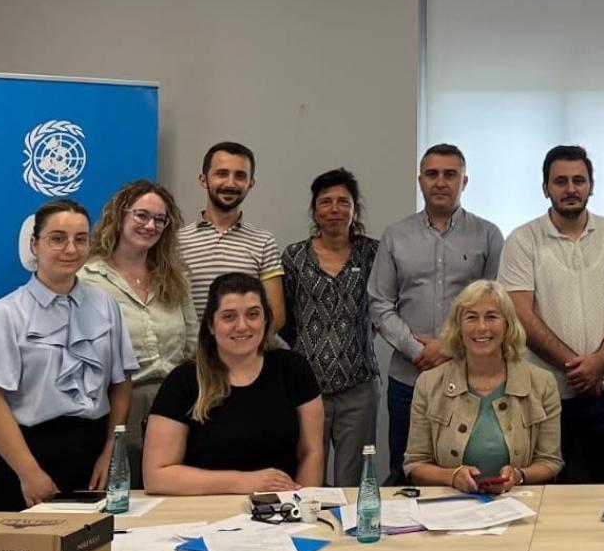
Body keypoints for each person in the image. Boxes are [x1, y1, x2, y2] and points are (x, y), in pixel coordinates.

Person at [0, 199, 138, 511]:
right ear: (35, 245)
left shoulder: (106, 307)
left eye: (80, 239)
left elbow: (121, 383)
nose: (70, 249)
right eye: (57, 238)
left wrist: (111, 449)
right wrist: (29, 472)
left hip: (90, 456)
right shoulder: (5, 314)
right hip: (23, 458)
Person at [499, 146, 604, 484]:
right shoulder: (522, 239)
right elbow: (520, 313)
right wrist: (578, 369)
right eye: (560, 181)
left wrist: (599, 363)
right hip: (545, 395)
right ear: (545, 188)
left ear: (591, 185)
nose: (570, 188)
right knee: (549, 490)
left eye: (579, 180)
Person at [369, 143, 503, 483]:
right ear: (420, 181)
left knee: (465, 471)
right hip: (409, 378)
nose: (440, 182)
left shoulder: (488, 235)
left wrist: (448, 346)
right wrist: (418, 350)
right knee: (405, 472)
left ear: (464, 181)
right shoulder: (396, 236)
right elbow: (380, 303)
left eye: (450, 174)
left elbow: (497, 306)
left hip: (470, 378)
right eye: (432, 174)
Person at [144, 273, 323, 494]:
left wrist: (299, 503)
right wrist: (245, 483)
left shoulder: (294, 369)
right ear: (211, 324)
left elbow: (311, 452)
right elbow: (156, 476)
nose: (242, 326)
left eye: (253, 314)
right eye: (229, 317)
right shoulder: (183, 381)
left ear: (266, 319)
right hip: (205, 514)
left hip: (281, 511)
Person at [79, 180, 197, 489]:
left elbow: (193, 344)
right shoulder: (87, 279)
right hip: (117, 409)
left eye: (160, 219)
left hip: (176, 406)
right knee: (121, 500)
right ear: (120, 215)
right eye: (141, 215)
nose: (151, 225)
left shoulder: (176, 277)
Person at [404, 280, 563, 491]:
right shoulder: (429, 383)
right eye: (471, 317)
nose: (482, 327)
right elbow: (415, 464)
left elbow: (550, 462)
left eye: (491, 317)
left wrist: (518, 476)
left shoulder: (542, 383)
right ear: (458, 327)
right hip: (452, 503)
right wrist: (452, 476)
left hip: (518, 502)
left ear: (508, 325)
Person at [280, 167, 381, 486]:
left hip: (359, 385)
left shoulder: (373, 253)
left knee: (353, 479)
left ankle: (350, 533)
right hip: (307, 389)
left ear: (355, 209)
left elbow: (384, 307)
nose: (334, 209)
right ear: (314, 209)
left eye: (343, 201)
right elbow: (285, 318)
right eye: (325, 202)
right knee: (308, 476)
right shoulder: (294, 256)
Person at [176, 141, 285, 334]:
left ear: (251, 184)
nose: (231, 183)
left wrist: (241, 349)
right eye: (222, 173)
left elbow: (275, 315)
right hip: (192, 359)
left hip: (245, 357)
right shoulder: (176, 242)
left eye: (240, 176)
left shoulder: (264, 242)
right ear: (203, 179)